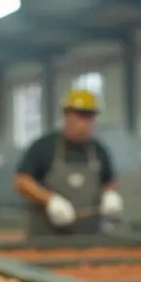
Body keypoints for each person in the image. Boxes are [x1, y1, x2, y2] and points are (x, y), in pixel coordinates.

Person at [13, 88, 123, 237]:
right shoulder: (44, 147)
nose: (84, 123)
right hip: (46, 239)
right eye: (79, 117)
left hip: (89, 238)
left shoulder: (98, 150)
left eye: (89, 118)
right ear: (66, 116)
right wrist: (50, 201)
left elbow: (109, 180)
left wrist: (110, 194)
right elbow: (22, 181)